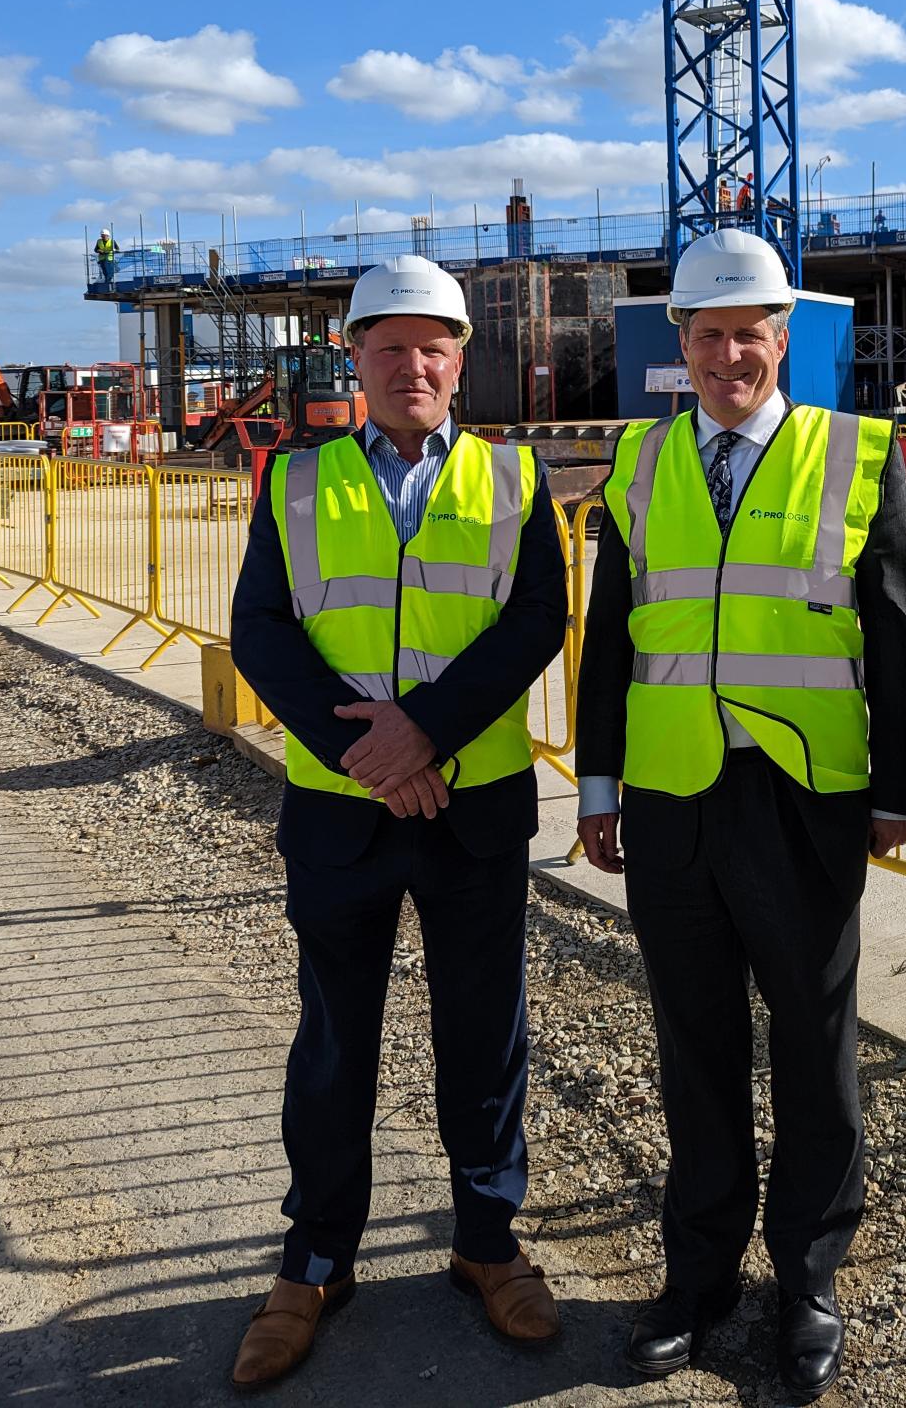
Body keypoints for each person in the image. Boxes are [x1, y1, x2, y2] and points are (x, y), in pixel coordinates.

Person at [574, 228, 906, 1403]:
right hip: (670, 804)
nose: (733, 353)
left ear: (785, 340)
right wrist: (597, 786)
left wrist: (897, 793)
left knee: (815, 1047)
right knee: (695, 1046)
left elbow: (897, 637)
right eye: (711, 333)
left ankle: (810, 1279)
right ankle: (703, 1274)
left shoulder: (856, 456)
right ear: (681, 343)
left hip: (805, 802)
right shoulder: (638, 466)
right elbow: (612, 636)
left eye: (751, 334)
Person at [228, 254, 568, 1391]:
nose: (412, 366)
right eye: (389, 348)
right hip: (344, 813)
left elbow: (532, 627)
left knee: (485, 1038)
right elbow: (266, 631)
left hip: (471, 811)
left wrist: (421, 732)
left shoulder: (514, 481)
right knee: (334, 1046)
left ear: (460, 361)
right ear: (358, 360)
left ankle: (486, 1243)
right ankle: (317, 1257)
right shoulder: (294, 479)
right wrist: (366, 754)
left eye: (434, 347)